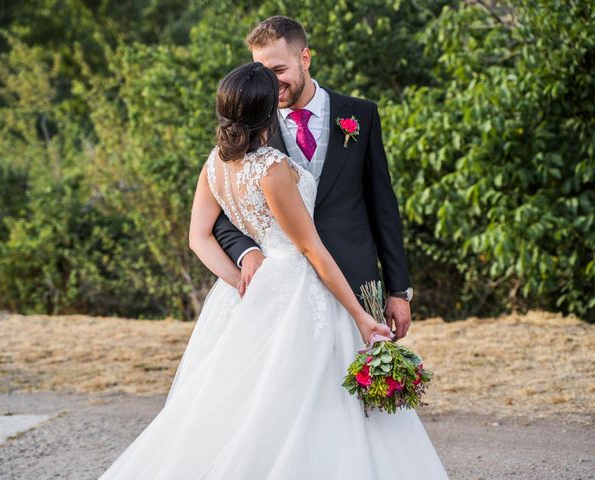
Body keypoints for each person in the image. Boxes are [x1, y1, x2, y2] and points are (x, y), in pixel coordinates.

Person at [98, 59, 449, 479]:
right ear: (268, 116)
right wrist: (360, 315)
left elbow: (198, 238)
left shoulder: (215, 163)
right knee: (307, 402)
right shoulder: (272, 168)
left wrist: (240, 284)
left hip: (253, 295)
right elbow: (311, 248)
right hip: (300, 287)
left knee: (248, 400)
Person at [213, 15, 413, 341]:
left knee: (361, 388)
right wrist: (246, 252)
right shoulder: (247, 125)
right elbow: (224, 208)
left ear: (305, 58)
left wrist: (398, 290)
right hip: (283, 292)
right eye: (264, 74)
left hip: (357, 281)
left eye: (279, 71)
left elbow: (383, 208)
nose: (272, 83)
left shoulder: (360, 114)